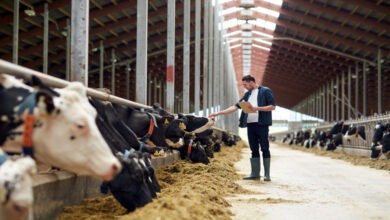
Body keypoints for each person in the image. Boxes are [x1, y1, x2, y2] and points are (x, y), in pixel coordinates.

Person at [209, 75, 275, 181]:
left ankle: (267, 174)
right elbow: (235, 107)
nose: (244, 86)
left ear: (251, 82)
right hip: (250, 125)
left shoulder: (265, 91)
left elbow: (272, 106)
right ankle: (255, 173)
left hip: (262, 124)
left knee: (264, 148)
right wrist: (218, 113)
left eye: (245, 84)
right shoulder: (247, 95)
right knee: (253, 149)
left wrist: (256, 108)